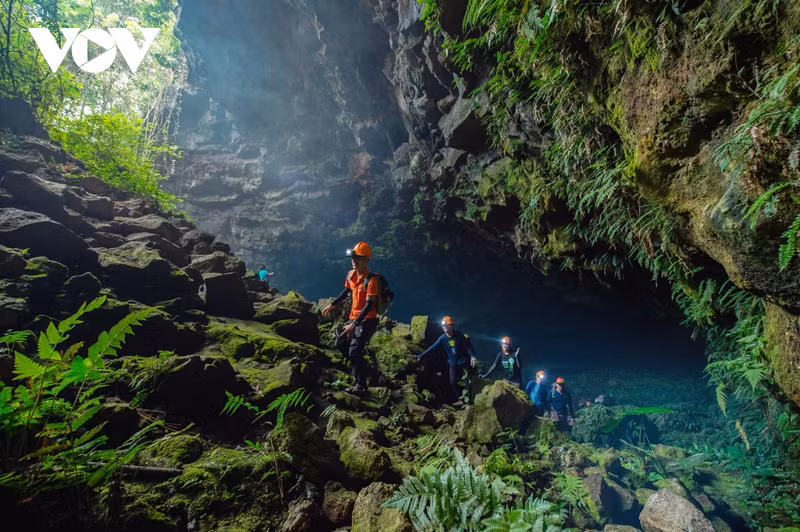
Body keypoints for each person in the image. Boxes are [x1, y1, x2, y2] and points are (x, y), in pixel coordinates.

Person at [322, 242, 379, 395]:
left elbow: (368, 305)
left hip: (367, 320)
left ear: (366, 260)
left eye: (358, 258)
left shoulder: (371, 280)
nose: (354, 260)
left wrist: (354, 324)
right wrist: (332, 304)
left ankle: (361, 385)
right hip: (354, 317)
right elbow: (347, 290)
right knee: (340, 342)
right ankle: (363, 367)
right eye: (353, 258)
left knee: (354, 351)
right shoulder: (351, 275)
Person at [416, 316, 478, 406]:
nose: (443, 327)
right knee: (453, 382)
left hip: (462, 364)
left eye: (446, 325)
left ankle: (468, 403)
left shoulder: (459, 335)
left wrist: (472, 357)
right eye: (443, 325)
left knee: (466, 383)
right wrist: (421, 356)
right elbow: (432, 348)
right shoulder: (443, 338)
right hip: (452, 365)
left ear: (451, 326)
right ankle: (460, 400)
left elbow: (467, 346)